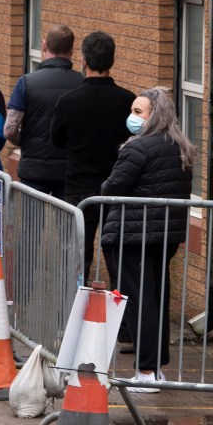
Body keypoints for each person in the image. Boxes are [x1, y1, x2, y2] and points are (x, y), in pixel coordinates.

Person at [99, 87, 195, 392]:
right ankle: (155, 366)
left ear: (156, 115)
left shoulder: (137, 148)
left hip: (133, 233)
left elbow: (113, 186)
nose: (132, 117)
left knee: (139, 300)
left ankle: (147, 370)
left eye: (139, 112)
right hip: (164, 234)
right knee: (155, 297)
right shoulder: (180, 146)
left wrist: (104, 184)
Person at [51, 31, 135, 282]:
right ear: (112, 60)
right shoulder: (128, 100)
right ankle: (121, 318)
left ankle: (72, 314)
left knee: (78, 258)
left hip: (79, 189)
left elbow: (57, 141)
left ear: (83, 60)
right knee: (117, 260)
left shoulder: (68, 101)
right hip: (117, 190)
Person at [5, 25, 83, 199]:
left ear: (44, 46)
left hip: (34, 169)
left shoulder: (26, 82)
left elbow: (9, 130)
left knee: (31, 224)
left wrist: (27, 142)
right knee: (67, 225)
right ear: (72, 50)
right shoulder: (82, 83)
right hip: (69, 170)